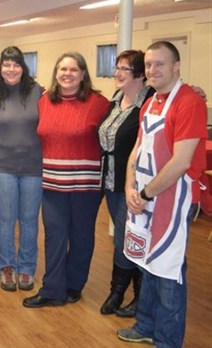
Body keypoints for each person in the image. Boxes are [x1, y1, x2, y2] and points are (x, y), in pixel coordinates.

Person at [117, 41, 207, 347]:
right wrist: (130, 186)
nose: (153, 70)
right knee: (146, 261)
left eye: (160, 64)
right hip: (145, 195)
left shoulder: (190, 102)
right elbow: (137, 149)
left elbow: (181, 162)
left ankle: (167, 340)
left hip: (173, 198)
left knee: (168, 270)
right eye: (149, 64)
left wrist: (144, 193)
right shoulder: (151, 101)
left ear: (177, 66)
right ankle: (146, 324)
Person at [23, 52, 109, 308]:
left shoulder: (99, 102)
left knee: (81, 235)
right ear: (56, 72)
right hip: (52, 182)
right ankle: (52, 288)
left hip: (86, 184)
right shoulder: (44, 101)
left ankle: (74, 285)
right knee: (54, 236)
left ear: (83, 74)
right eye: (63, 69)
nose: (67, 74)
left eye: (73, 69)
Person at [98, 50, 152, 316]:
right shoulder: (116, 99)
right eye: (117, 67)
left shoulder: (150, 102)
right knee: (123, 239)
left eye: (125, 69)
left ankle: (130, 295)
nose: (117, 73)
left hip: (134, 187)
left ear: (141, 74)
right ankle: (121, 292)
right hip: (111, 182)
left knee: (129, 239)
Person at [0, 46, 44, 292]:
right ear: (0, 68)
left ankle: (27, 268)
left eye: (16, 64)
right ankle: (7, 267)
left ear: (23, 67)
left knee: (30, 220)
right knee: (6, 219)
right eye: (6, 65)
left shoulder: (37, 92)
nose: (11, 69)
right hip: (2, 167)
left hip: (33, 166)